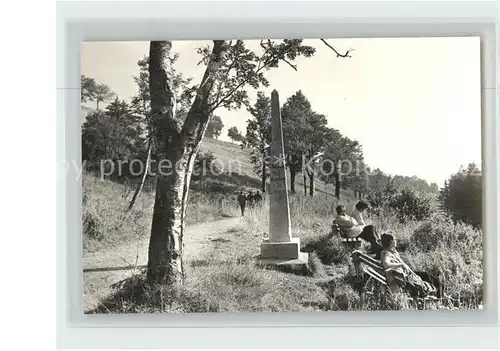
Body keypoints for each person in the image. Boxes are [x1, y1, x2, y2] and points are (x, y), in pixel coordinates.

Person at [380, 233, 437, 298]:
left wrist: (412, 272)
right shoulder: (386, 253)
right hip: (403, 276)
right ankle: (438, 296)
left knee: (427, 277)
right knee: (429, 278)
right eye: (395, 240)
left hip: (406, 274)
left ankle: (436, 293)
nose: (396, 241)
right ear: (391, 242)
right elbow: (386, 263)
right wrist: (401, 265)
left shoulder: (393, 251)